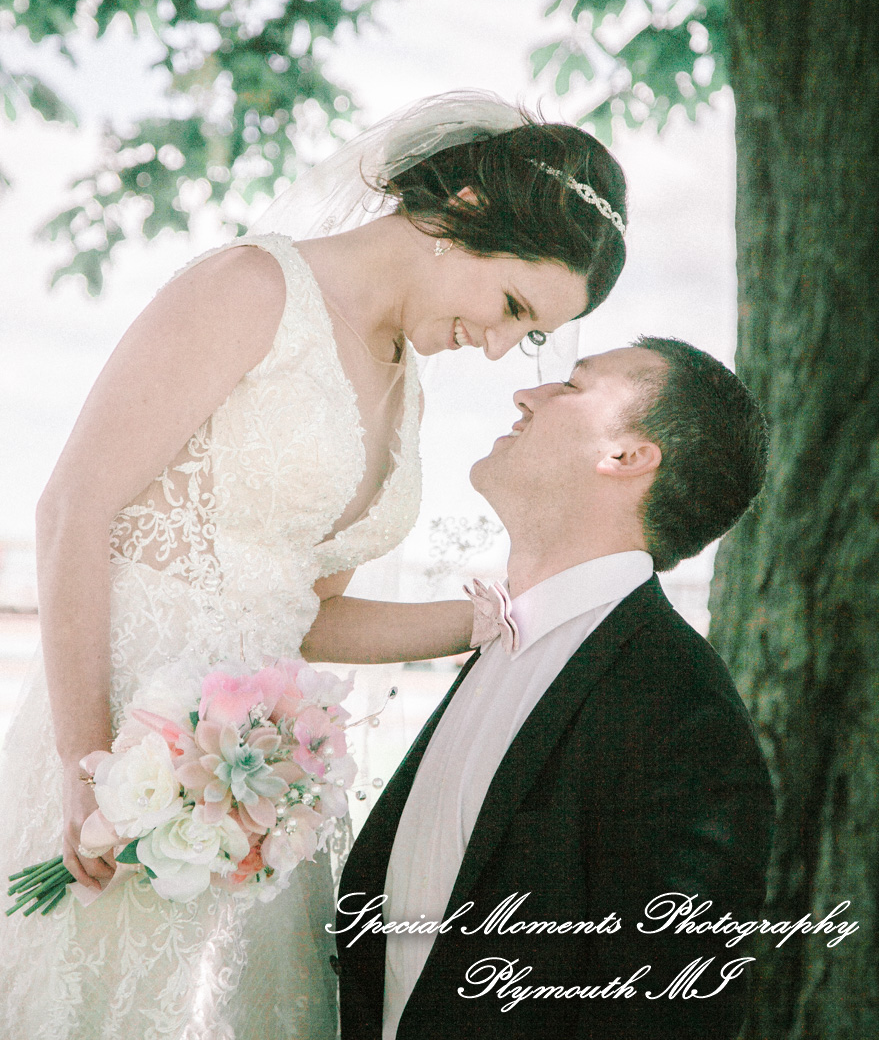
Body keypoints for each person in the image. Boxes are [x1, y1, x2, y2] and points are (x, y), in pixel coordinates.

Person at [0, 93, 629, 1040]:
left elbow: (301, 615)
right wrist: (89, 764)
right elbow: (72, 509)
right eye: (510, 305)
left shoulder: (406, 394)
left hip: (249, 797)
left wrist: (486, 623)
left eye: (529, 333)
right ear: (460, 212)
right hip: (113, 737)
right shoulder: (252, 288)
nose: (500, 347)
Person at [324, 337, 775, 1040]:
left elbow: (668, 1017)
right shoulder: (498, 646)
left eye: (570, 384)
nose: (524, 394)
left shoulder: (683, 714)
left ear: (627, 456)